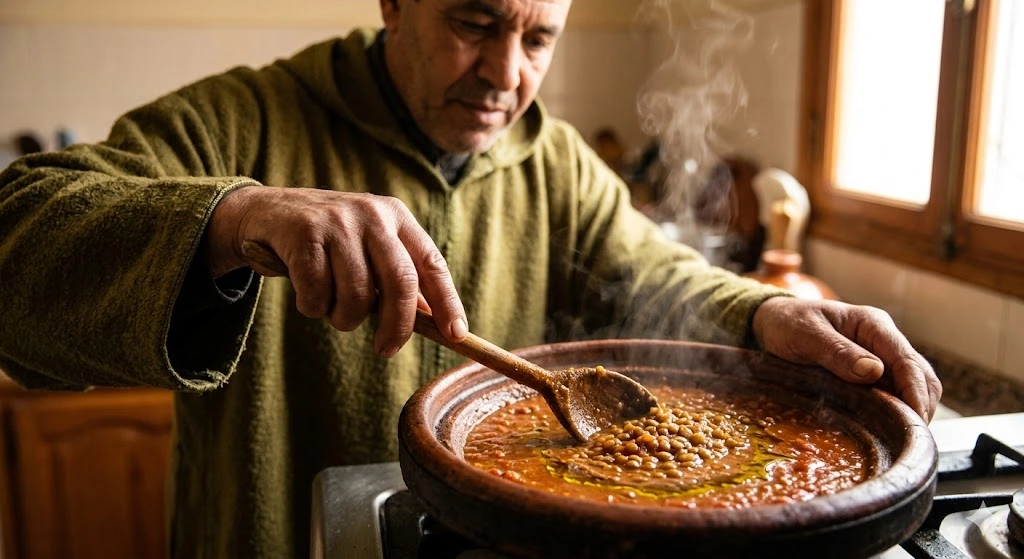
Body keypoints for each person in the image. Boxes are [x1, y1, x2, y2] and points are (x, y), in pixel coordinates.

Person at [0, 0, 941, 557]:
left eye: (539, 38)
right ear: (394, 1)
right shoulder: (243, 118)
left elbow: (653, 273)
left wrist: (769, 310)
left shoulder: (555, 161)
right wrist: (235, 216)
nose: (504, 74)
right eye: (475, 23)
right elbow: (19, 233)